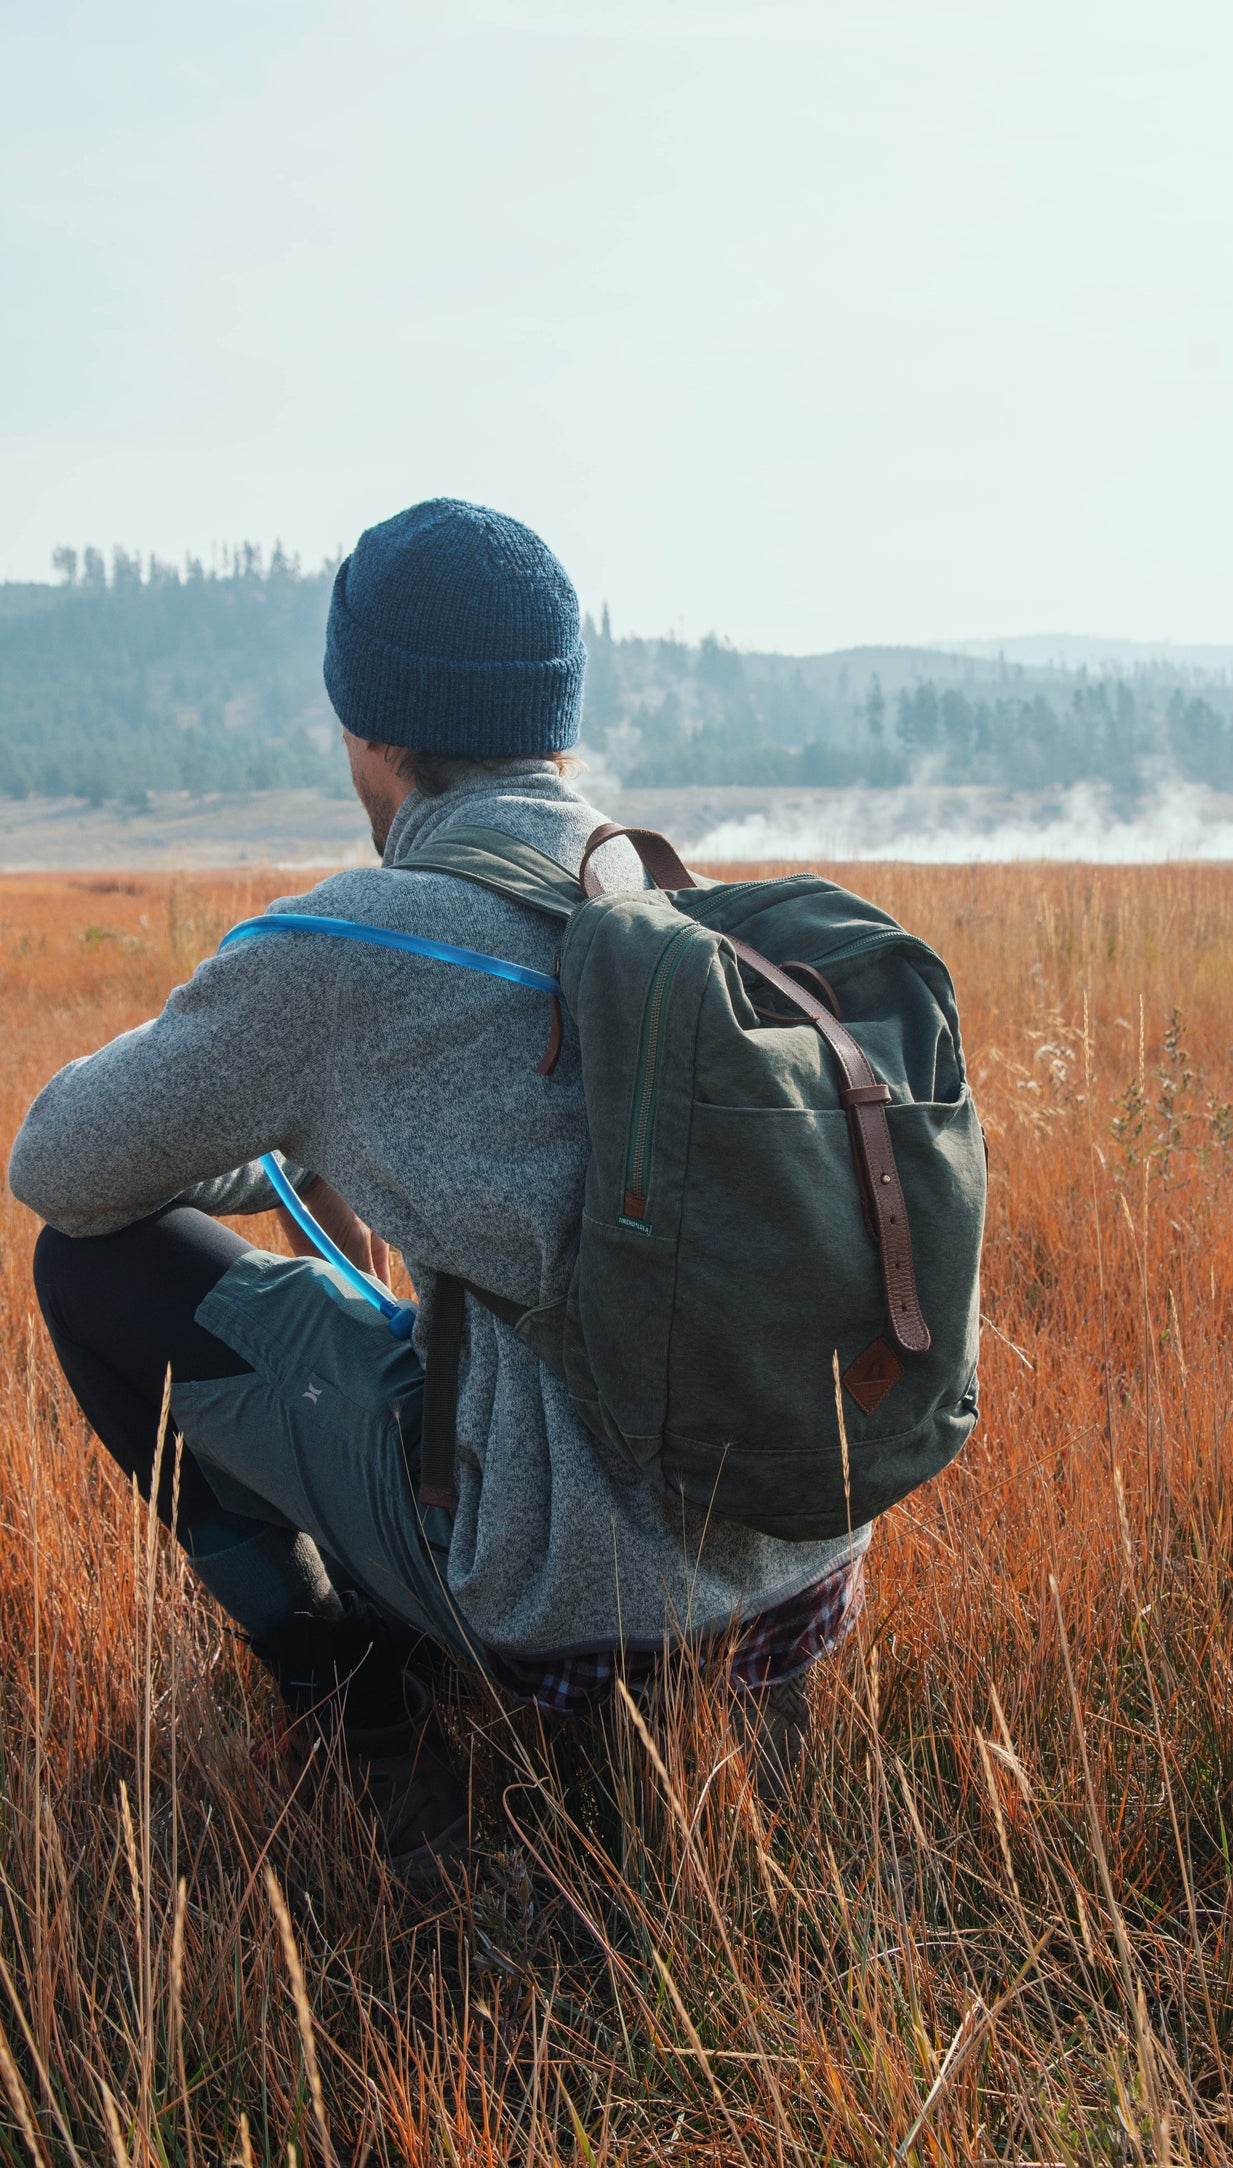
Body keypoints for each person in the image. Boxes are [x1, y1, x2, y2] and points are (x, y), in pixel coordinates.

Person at [8, 499, 867, 1885]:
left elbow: (61, 1164)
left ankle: (354, 1697)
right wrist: (311, 1147)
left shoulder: (348, 946)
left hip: (564, 1593)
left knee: (88, 1268)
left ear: (365, 721)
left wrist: (273, 1134)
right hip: (796, 1566)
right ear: (558, 720)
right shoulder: (670, 905)